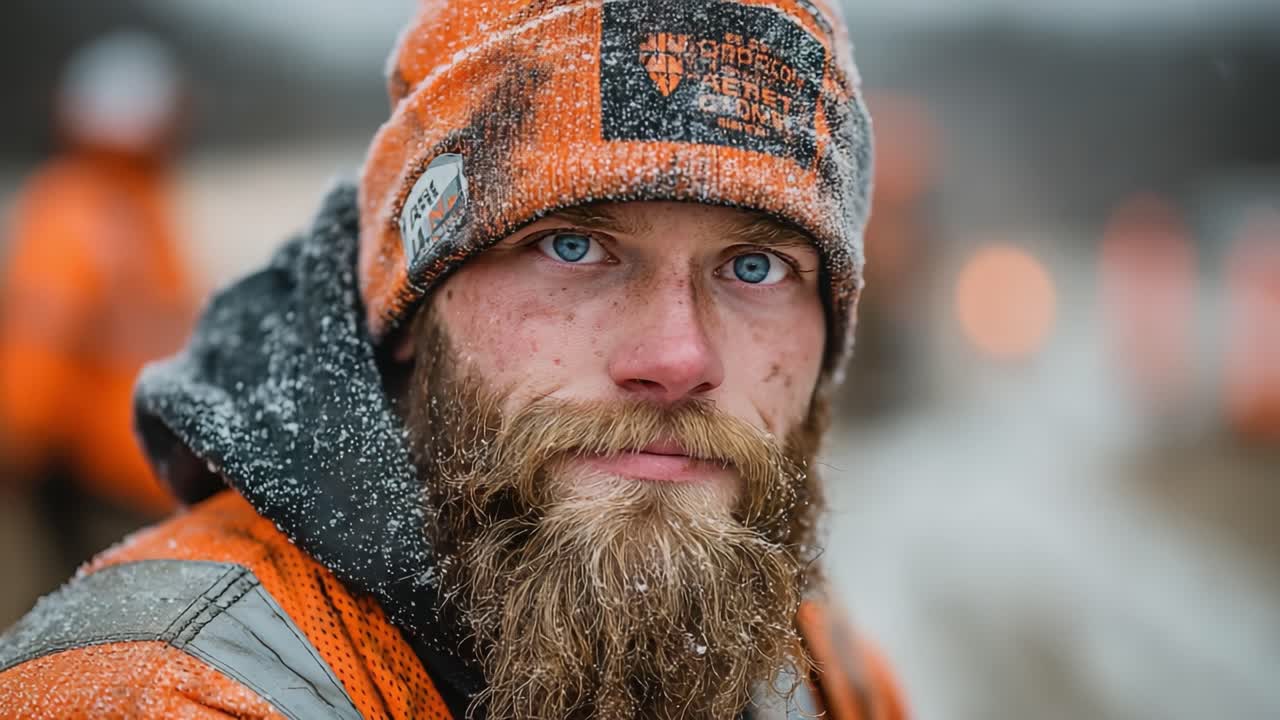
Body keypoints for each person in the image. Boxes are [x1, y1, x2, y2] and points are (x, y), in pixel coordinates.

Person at [0, 1, 907, 718]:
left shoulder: (826, 678)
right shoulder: (157, 693)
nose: (676, 356)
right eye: (571, 247)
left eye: (757, 266)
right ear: (409, 309)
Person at [0, 31, 197, 580]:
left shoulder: (140, 204)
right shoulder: (73, 209)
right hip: (101, 488)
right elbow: (37, 349)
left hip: (143, 478)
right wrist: (19, 453)